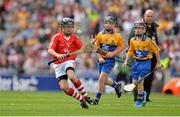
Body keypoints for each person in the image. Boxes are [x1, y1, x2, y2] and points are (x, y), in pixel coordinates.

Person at [48, 17, 92, 109]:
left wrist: (91, 44)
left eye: (71, 27)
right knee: (65, 88)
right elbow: (50, 50)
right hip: (58, 64)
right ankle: (82, 100)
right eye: (67, 27)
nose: (69, 28)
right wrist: (58, 55)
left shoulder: (74, 38)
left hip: (69, 61)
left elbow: (84, 48)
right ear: (62, 27)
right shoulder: (56, 37)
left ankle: (86, 96)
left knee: (71, 76)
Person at [123, 21, 161, 107]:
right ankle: (143, 94)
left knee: (140, 81)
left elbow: (156, 51)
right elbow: (130, 51)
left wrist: (158, 63)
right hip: (136, 62)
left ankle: (139, 101)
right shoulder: (132, 40)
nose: (137, 30)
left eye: (140, 28)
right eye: (136, 28)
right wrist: (126, 61)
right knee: (135, 82)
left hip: (146, 62)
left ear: (144, 30)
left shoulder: (148, 41)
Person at [92, 16, 126, 105]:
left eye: (110, 23)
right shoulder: (100, 34)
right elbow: (96, 48)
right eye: (106, 22)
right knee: (104, 80)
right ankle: (116, 85)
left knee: (101, 79)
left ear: (114, 24)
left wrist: (113, 53)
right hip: (101, 60)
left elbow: (123, 46)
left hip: (110, 61)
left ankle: (96, 99)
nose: (108, 24)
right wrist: (100, 57)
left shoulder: (117, 36)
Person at [128, 9, 159, 102]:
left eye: (151, 16)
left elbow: (155, 42)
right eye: (147, 16)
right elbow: (131, 39)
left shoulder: (153, 26)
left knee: (149, 78)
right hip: (138, 55)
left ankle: (146, 96)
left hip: (151, 56)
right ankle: (136, 96)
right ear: (144, 16)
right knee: (137, 78)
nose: (149, 18)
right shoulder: (139, 26)